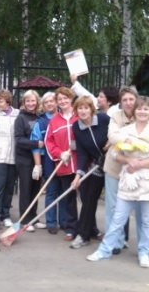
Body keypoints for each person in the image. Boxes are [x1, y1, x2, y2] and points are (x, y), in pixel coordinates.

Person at [87, 96, 149, 268]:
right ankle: (104, 250)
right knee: (117, 219)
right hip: (128, 182)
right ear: (134, 111)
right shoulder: (125, 131)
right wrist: (128, 161)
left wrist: (139, 163)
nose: (142, 111)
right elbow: (115, 154)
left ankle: (144, 252)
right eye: (139, 108)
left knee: (147, 221)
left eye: (146, 109)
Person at [69, 96, 110, 249]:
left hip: (113, 164)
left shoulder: (104, 119)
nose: (83, 111)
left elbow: (119, 132)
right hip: (96, 166)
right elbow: (81, 152)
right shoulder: (76, 127)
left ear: (92, 109)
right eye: (80, 108)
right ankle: (83, 235)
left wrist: (112, 141)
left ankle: (119, 237)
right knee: (88, 199)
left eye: (86, 107)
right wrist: (78, 175)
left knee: (115, 202)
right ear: (76, 110)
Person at [45, 87, 79, 241]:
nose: (63, 101)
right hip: (64, 165)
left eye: (66, 98)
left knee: (86, 198)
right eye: (60, 99)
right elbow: (48, 141)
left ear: (71, 98)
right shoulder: (54, 121)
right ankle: (71, 228)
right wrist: (60, 154)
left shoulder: (80, 115)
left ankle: (89, 228)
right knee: (69, 198)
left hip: (81, 164)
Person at [31, 91, 66, 235]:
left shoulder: (66, 117)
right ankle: (51, 222)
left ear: (57, 102)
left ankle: (65, 222)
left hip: (65, 159)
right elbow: (35, 146)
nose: (50, 104)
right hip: (49, 161)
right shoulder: (41, 122)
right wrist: (38, 165)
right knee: (51, 191)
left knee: (64, 192)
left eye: (52, 101)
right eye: (46, 102)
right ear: (43, 105)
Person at [0, 89, 20, 230]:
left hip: (13, 157)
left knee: (9, 188)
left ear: (8, 102)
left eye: (0, 101)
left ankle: (5, 215)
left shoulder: (17, 114)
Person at [14, 90, 46, 232]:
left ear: (37, 101)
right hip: (24, 158)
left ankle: (33, 217)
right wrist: (36, 144)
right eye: (28, 101)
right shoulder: (20, 119)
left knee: (35, 188)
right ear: (24, 103)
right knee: (26, 188)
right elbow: (19, 139)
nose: (31, 103)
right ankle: (25, 219)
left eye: (33, 101)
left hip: (37, 158)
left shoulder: (40, 117)